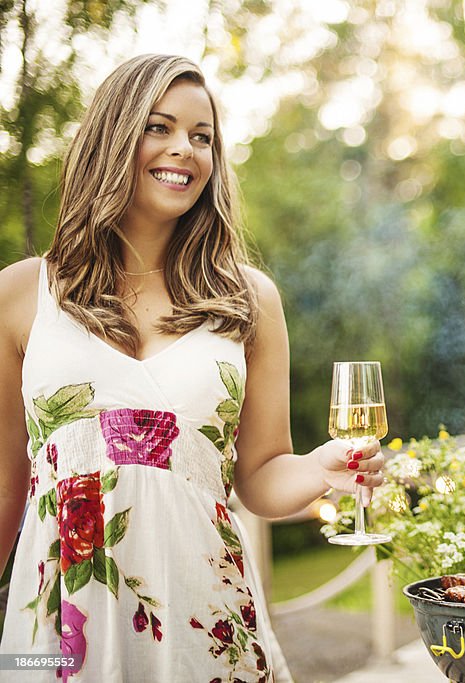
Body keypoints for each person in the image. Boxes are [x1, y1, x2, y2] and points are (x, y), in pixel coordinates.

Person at [0, 54, 385, 681]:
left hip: (207, 623)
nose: (185, 149)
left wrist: (322, 467)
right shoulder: (20, 294)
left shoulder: (249, 298)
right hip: (56, 632)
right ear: (113, 137)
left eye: (201, 137)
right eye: (160, 127)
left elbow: (258, 476)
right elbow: (4, 488)